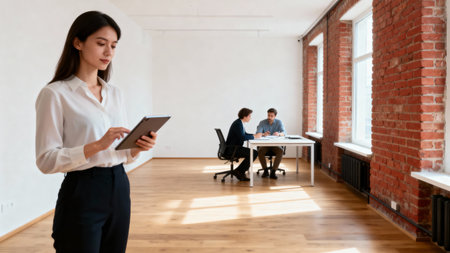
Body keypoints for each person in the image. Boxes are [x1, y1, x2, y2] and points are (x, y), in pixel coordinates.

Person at [35, 11, 156, 253]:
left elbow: (120, 153)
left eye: (113, 46)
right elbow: (46, 161)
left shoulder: (115, 94)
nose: (109, 52)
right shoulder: (55, 94)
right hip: (82, 191)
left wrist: (137, 147)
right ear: (77, 43)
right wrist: (97, 145)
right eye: (101, 44)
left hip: (120, 186)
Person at [225, 108, 259, 181]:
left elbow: (245, 134)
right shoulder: (238, 124)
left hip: (234, 147)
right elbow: (242, 137)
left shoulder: (239, 122)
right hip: (233, 149)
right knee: (254, 153)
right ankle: (239, 171)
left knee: (253, 152)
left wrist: (255, 135)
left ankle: (239, 171)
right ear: (245, 116)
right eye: (249, 116)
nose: (250, 117)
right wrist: (254, 136)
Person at [256, 108, 286, 179]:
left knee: (280, 151)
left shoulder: (279, 122)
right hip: (265, 145)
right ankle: (265, 170)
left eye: (271, 116)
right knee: (260, 151)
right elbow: (257, 133)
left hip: (275, 145)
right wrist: (263, 134)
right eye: (268, 115)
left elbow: (284, 133)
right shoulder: (262, 122)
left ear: (275, 116)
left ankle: (273, 171)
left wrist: (278, 134)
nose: (269, 117)